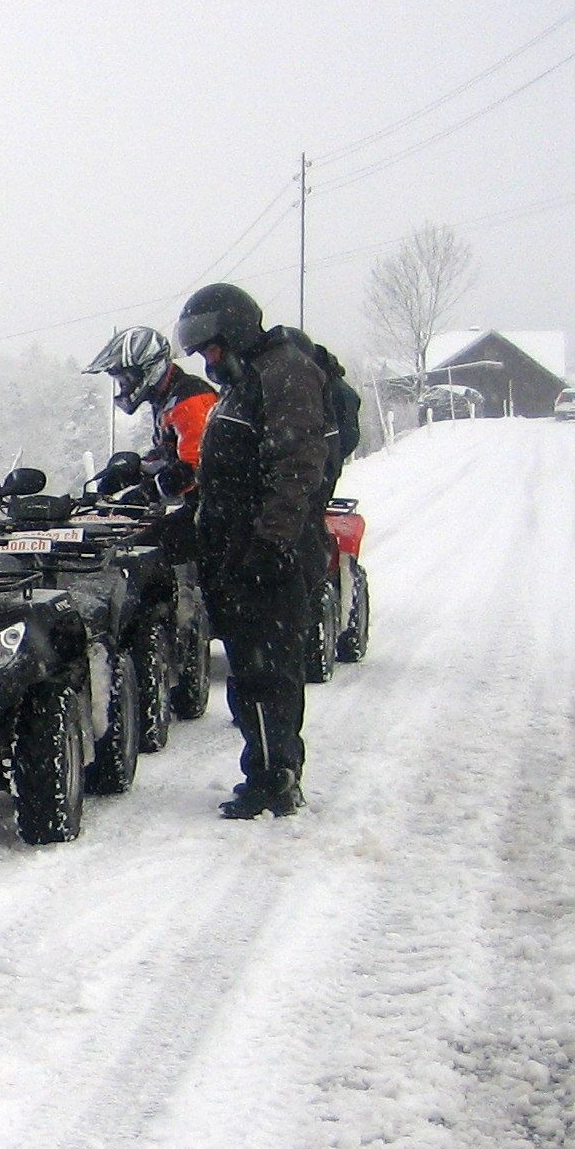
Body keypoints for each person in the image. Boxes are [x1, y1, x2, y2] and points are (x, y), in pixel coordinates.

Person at [173, 282, 332, 819]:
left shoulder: (283, 372)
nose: (207, 360)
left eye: (211, 347)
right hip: (239, 550)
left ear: (235, 331)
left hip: (268, 555)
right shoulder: (246, 380)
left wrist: (270, 544)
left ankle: (275, 779)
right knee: (249, 665)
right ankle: (266, 768)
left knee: (267, 667)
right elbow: (231, 471)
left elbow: (296, 466)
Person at [84, 326, 214, 498]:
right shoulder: (165, 398)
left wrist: (150, 491)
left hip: (216, 506)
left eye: (126, 379)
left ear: (150, 367)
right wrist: (134, 470)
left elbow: (198, 467)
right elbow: (168, 455)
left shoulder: (190, 398)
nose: (124, 387)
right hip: (201, 503)